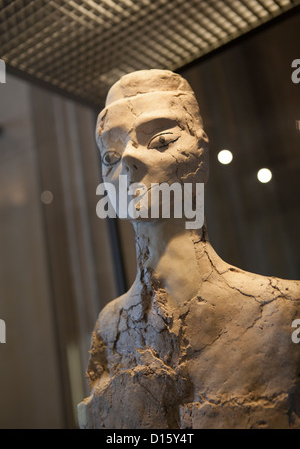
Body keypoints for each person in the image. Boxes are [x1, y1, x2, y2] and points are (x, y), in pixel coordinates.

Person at [78, 69, 300, 429]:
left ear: (200, 152)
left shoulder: (283, 310)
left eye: (160, 140)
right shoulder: (110, 328)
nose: (128, 162)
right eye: (110, 155)